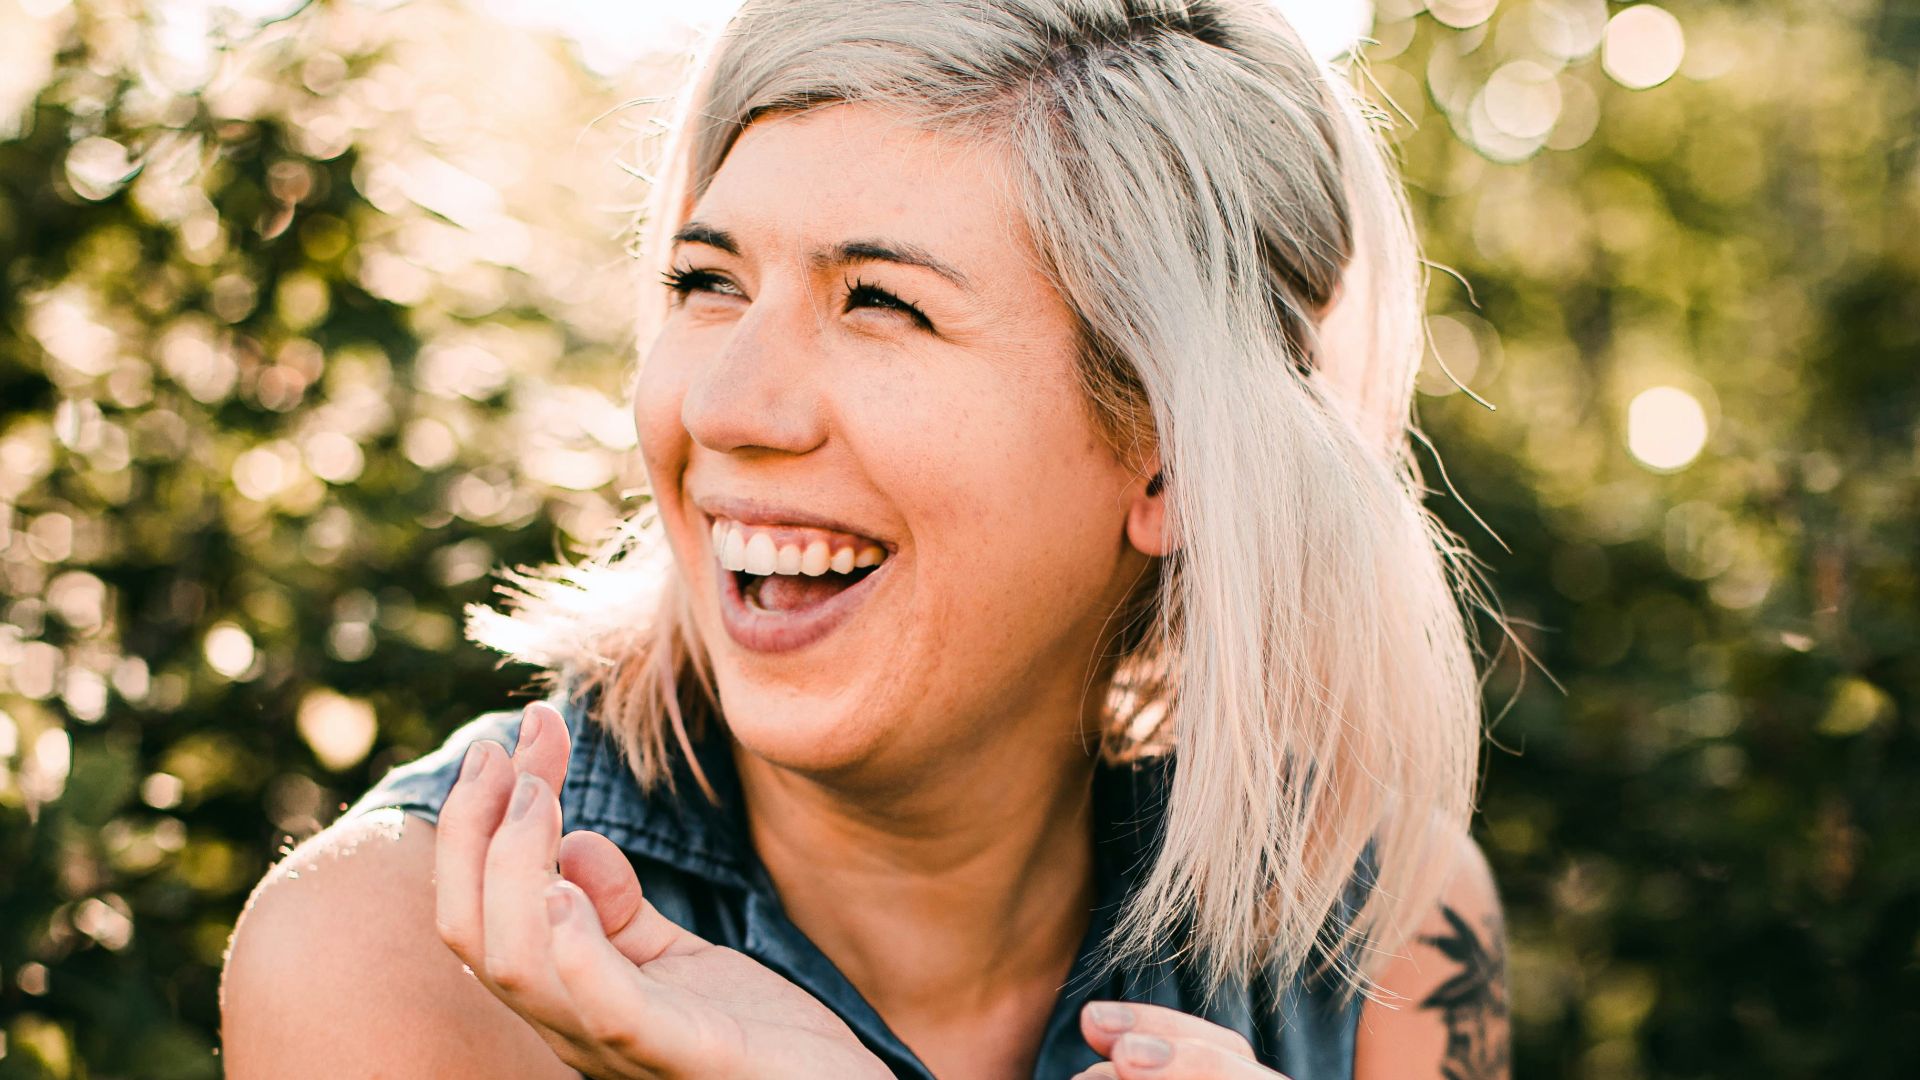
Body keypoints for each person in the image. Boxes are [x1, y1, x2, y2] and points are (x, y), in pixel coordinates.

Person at [220, 1, 1509, 1077]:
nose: (724, 407)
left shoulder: (1393, 931)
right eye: (706, 281)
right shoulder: (398, 955)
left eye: (880, 303)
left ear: (1173, 454)